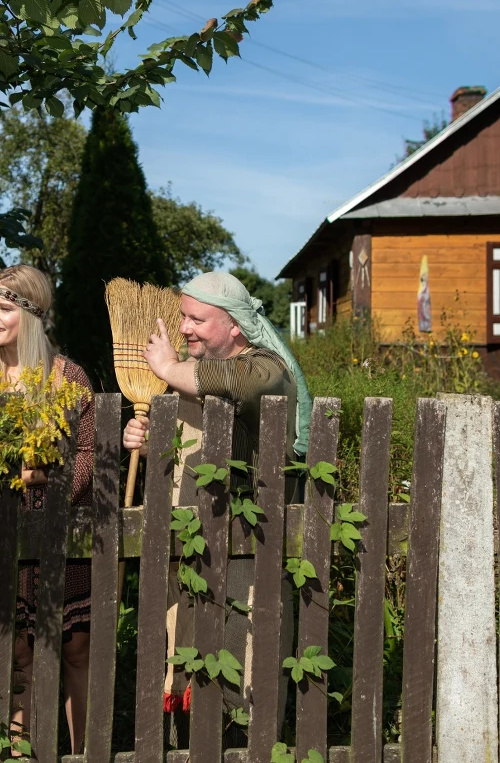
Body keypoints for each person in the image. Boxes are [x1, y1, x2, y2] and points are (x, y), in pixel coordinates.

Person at [120, 270, 312, 736]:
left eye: (198, 319)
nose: (184, 327)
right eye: (184, 316)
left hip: (251, 549)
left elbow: (231, 383)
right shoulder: (192, 368)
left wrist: (165, 369)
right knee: (184, 654)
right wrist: (146, 443)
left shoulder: (266, 368)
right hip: (190, 544)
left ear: (236, 327)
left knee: (244, 664)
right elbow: (191, 442)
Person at [0, 265, 96, 753]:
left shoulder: (66, 376)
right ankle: (20, 751)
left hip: (62, 530)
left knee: (76, 645)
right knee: (19, 647)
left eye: (4, 308)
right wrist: (1, 476)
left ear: (33, 315)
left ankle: (82, 751)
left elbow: (86, 453)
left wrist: (50, 479)